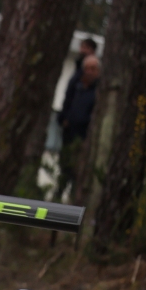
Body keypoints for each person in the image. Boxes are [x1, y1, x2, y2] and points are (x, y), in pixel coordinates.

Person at [56, 55, 101, 200]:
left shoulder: (98, 91)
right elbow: (66, 104)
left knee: (78, 171)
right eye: (87, 69)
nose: (89, 72)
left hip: (84, 136)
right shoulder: (77, 86)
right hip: (69, 133)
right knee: (65, 166)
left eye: (93, 69)